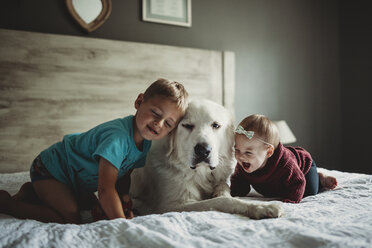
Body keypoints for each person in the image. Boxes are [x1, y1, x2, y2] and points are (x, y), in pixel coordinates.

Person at [0, 78, 189, 223]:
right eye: (156, 113)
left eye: (169, 124)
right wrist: (121, 224)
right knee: (70, 217)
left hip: (74, 180)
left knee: (94, 209)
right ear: (139, 102)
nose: (159, 123)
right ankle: (8, 204)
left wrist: (123, 199)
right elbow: (105, 188)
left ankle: (31, 193)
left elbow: (124, 173)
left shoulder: (145, 142)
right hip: (52, 170)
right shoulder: (117, 138)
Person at [230, 114, 337, 203]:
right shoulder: (244, 162)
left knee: (309, 191)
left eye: (248, 152)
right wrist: (233, 193)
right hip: (276, 183)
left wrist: (290, 201)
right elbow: (238, 184)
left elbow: (298, 182)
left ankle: (320, 178)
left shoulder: (286, 164)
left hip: (304, 168)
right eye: (237, 150)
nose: (240, 156)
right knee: (279, 189)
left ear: (269, 152)